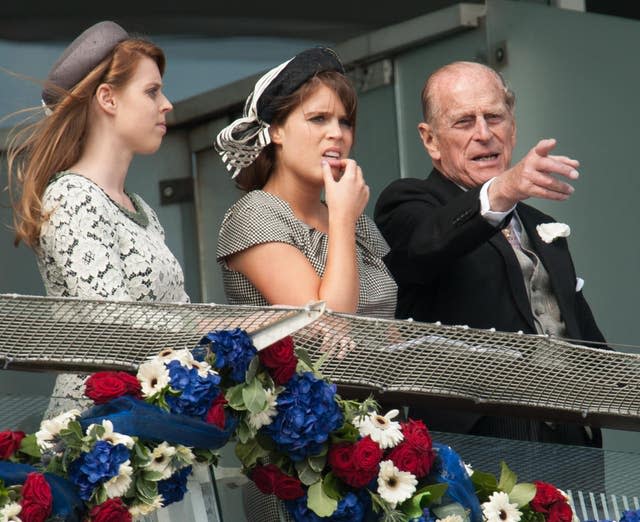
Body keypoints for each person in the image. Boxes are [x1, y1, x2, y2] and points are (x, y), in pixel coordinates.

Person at [374, 61, 606, 446]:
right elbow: (425, 247)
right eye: (464, 122)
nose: (484, 134)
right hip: (483, 443)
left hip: (572, 439)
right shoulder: (410, 202)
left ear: (512, 126)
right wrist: (502, 190)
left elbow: (588, 345)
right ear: (430, 140)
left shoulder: (540, 223)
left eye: (494, 117)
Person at [7, 21, 189, 412]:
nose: (167, 104)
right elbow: (115, 329)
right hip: (98, 434)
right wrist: (215, 328)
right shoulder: (72, 197)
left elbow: (177, 318)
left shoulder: (139, 208)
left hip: (151, 423)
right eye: (152, 91)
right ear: (107, 98)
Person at [214, 47, 397, 320]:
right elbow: (329, 325)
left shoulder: (354, 219)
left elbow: (387, 327)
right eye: (318, 119)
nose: (337, 134)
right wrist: (343, 217)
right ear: (276, 130)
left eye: (345, 122)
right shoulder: (255, 214)